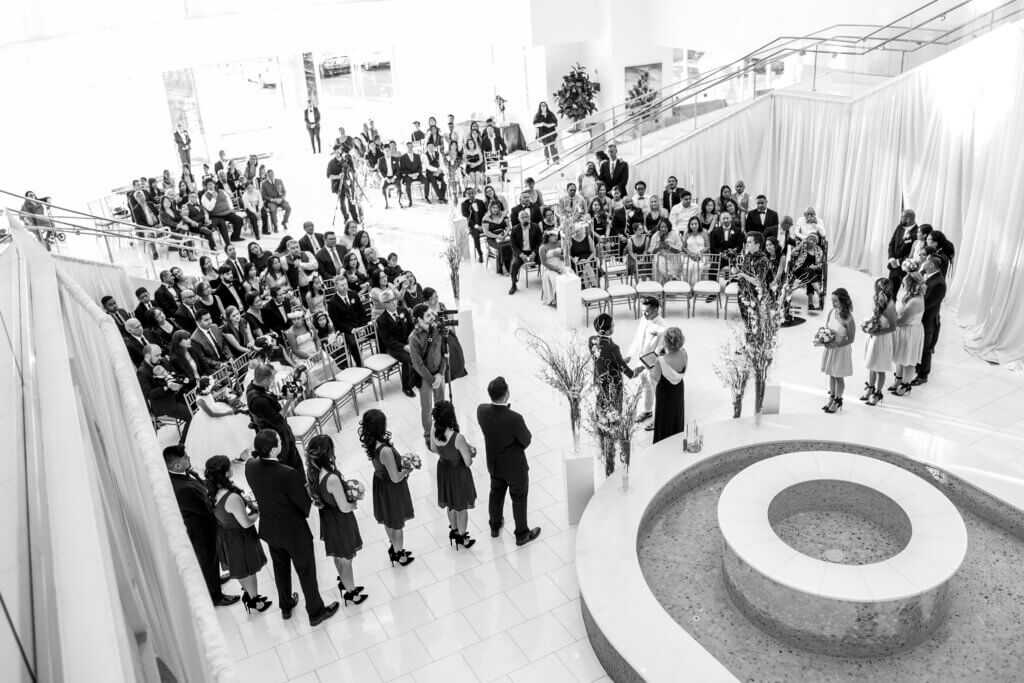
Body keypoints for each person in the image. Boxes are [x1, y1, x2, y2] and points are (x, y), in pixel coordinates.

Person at [245, 430, 339, 625]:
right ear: (273, 450)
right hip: (294, 532)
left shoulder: (250, 466)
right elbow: (304, 507)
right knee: (306, 571)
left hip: (270, 528)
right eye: (279, 442)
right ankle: (315, 612)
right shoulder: (287, 473)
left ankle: (286, 606)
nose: (282, 443)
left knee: (280, 568)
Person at [165, 446, 239, 607]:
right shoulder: (182, 488)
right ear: (176, 466)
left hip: (205, 525)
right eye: (185, 457)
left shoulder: (184, 474)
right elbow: (205, 510)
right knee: (208, 560)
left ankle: (215, 579)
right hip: (200, 530)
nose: (188, 458)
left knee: (213, 558)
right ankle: (215, 596)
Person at [477, 377, 541, 546]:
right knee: (519, 497)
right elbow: (526, 441)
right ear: (506, 395)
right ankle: (521, 534)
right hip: (514, 467)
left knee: (496, 493)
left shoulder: (481, 411)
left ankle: (495, 525)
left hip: (494, 464)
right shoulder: (515, 418)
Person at [304, 436, 367, 605]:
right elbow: (344, 507)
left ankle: (345, 583)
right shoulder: (331, 478)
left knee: (338, 555)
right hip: (340, 520)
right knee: (346, 559)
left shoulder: (314, 471)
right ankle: (352, 592)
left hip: (328, 518)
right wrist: (355, 502)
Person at [203, 455, 270, 614]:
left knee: (239, 569)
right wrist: (257, 513)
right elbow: (246, 523)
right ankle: (255, 601)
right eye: (229, 467)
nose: (232, 468)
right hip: (240, 537)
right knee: (248, 571)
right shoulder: (232, 497)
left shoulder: (212, 491)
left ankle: (248, 595)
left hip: (226, 535)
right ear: (225, 473)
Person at [360, 410, 416, 566]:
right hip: (391, 488)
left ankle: (394, 547)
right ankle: (399, 554)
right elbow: (396, 477)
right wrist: (407, 469)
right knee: (397, 524)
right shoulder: (385, 450)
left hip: (380, 484)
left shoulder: (371, 443)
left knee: (388, 519)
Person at [428, 401, 478, 550]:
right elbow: (468, 462)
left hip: (443, 469)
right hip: (458, 473)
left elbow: (432, 448)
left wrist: (445, 455)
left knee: (450, 503)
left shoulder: (433, 428)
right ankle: (462, 537)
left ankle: (454, 530)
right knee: (461, 507)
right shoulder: (458, 438)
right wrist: (470, 452)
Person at [246, 363, 303, 471]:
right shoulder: (258, 400)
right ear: (264, 381)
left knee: (294, 456)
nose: (274, 381)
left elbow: (269, 396)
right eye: (272, 379)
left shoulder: (254, 385)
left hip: (278, 428)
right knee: (289, 462)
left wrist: (283, 396)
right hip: (276, 435)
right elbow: (278, 418)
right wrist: (289, 400)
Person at [185, 376, 252, 463]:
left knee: (232, 430)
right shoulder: (200, 401)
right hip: (208, 418)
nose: (213, 387)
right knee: (221, 436)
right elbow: (211, 414)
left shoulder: (206, 392)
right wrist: (226, 413)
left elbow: (212, 396)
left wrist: (222, 392)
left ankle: (240, 450)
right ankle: (229, 454)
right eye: (212, 386)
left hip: (217, 408)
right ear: (206, 388)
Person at [409, 303, 447, 447]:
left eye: (432, 314)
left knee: (441, 403)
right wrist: (432, 379)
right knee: (427, 407)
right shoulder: (413, 338)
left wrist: (440, 373)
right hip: (425, 378)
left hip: (439, 374)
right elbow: (418, 364)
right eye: (428, 315)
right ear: (419, 319)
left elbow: (444, 352)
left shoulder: (437, 329)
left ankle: (441, 427)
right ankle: (427, 433)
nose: (433, 317)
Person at [589, 314, 640, 415]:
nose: (614, 327)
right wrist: (634, 373)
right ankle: (613, 426)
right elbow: (622, 366)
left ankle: (601, 426)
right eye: (613, 325)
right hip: (613, 381)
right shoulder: (613, 347)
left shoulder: (592, 340)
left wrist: (620, 360)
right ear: (608, 331)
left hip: (598, 378)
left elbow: (602, 357)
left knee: (601, 403)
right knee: (614, 407)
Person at [138, 344, 192, 439]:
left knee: (197, 405)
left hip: (178, 394)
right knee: (190, 415)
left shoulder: (163, 361)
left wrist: (179, 383)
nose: (160, 357)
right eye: (157, 355)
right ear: (147, 356)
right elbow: (149, 394)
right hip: (164, 403)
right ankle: (183, 444)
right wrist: (166, 386)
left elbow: (176, 375)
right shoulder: (142, 372)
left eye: (160, 354)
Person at [628, 298, 666, 423]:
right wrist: (630, 355)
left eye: (647, 311)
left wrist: (642, 367)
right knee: (646, 386)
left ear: (655, 310)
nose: (643, 314)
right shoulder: (644, 319)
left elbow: (658, 352)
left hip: (653, 364)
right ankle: (647, 410)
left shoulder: (663, 327)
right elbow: (637, 337)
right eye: (643, 311)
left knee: (658, 390)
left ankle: (661, 417)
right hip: (641, 359)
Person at [818, 288, 856, 413]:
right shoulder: (831, 312)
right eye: (832, 301)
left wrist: (835, 344)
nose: (833, 304)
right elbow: (826, 328)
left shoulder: (849, 319)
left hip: (841, 350)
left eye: (835, 301)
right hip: (831, 348)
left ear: (843, 301)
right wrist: (824, 339)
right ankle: (832, 398)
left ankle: (838, 400)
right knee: (831, 374)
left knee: (838, 376)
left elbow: (851, 339)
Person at [861, 278, 898, 406]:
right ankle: (870, 388)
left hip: (882, 339)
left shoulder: (890, 306)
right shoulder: (876, 299)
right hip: (873, 337)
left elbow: (893, 327)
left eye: (877, 288)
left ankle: (878, 392)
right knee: (872, 365)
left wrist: (877, 332)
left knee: (880, 368)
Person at [375, 290, 417, 397]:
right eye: (390, 301)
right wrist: (403, 347)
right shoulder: (382, 320)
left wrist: (412, 339)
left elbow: (411, 326)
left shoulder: (403, 310)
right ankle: (407, 387)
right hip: (394, 347)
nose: (394, 302)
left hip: (407, 341)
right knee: (408, 359)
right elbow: (387, 340)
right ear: (384, 304)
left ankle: (419, 377)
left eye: (394, 299)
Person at [913, 255, 947, 386]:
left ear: (931, 265)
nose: (924, 262)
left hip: (928, 320)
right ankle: (916, 368)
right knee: (918, 345)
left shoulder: (939, 283)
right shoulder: (925, 274)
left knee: (925, 348)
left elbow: (927, 304)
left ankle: (923, 375)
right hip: (919, 318)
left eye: (926, 260)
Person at [650, 327, 688, 441]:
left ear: (665, 342)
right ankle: (676, 437)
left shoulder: (660, 361)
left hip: (665, 392)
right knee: (677, 413)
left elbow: (656, 377)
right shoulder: (685, 353)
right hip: (678, 389)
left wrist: (651, 369)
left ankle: (663, 441)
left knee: (664, 417)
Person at [890, 278, 926, 396]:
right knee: (900, 356)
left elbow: (902, 321)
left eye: (904, 283)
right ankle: (898, 380)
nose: (903, 285)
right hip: (905, 330)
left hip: (910, 331)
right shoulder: (911, 296)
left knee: (909, 359)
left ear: (911, 284)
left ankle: (905, 385)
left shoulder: (915, 301)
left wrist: (890, 318)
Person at [508, 209, 542, 295]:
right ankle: (513, 284)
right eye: (522, 217)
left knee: (543, 262)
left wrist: (534, 253)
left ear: (529, 218)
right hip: (521, 252)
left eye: (527, 217)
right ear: (519, 219)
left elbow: (540, 241)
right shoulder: (515, 229)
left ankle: (545, 281)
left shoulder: (536, 227)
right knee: (514, 264)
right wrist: (521, 254)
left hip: (534, 251)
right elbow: (513, 245)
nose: (525, 219)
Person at [201, 179, 243, 244]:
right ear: (206, 186)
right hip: (216, 215)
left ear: (214, 184)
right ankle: (227, 243)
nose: (211, 186)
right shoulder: (204, 196)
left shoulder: (221, 191)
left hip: (227, 212)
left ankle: (235, 237)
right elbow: (209, 208)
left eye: (212, 184)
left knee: (239, 220)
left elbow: (228, 200)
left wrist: (231, 208)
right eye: (209, 185)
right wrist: (214, 198)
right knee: (222, 224)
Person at [887, 209, 918, 296]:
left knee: (909, 294)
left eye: (902, 217)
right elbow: (891, 244)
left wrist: (898, 262)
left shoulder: (917, 233)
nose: (900, 219)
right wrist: (892, 258)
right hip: (893, 267)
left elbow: (913, 253)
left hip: (906, 269)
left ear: (908, 219)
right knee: (891, 293)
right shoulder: (899, 227)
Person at [539, 231, 567, 306]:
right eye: (554, 236)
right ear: (548, 237)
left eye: (556, 235)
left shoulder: (559, 243)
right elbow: (543, 262)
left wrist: (559, 255)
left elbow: (564, 257)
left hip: (560, 263)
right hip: (548, 267)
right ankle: (556, 299)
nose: (556, 237)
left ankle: (567, 296)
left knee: (568, 273)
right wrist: (554, 268)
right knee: (554, 277)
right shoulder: (543, 247)